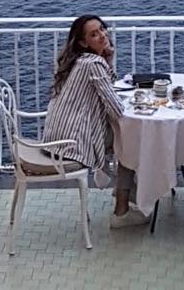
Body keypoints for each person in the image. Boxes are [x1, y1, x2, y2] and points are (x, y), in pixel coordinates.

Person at [43, 15, 148, 228]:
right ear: (83, 43)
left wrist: (107, 61)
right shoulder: (93, 64)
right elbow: (116, 109)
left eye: (102, 29)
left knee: (126, 138)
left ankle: (129, 191)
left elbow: (105, 88)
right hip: (73, 144)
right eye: (94, 34)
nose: (102, 35)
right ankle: (122, 210)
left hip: (55, 139)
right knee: (131, 142)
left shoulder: (79, 61)